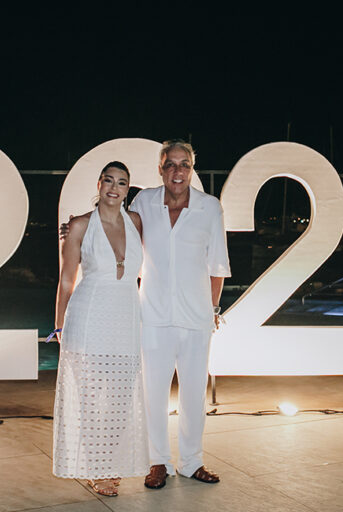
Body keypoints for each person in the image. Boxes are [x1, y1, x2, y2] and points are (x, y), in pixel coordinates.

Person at [129, 140, 231, 489]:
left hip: (196, 317)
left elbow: (217, 265)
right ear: (160, 169)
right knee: (152, 394)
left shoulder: (209, 207)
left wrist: (212, 310)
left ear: (192, 169)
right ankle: (158, 462)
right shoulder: (143, 202)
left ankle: (192, 462)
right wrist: (79, 227)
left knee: (193, 394)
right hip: (153, 315)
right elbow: (121, 236)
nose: (178, 171)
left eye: (184, 164)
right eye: (170, 164)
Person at [52, 161, 149, 497]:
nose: (114, 188)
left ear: (127, 189)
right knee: (92, 398)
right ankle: (98, 468)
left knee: (121, 399)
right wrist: (59, 326)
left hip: (126, 318)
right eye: (108, 180)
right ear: (98, 184)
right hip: (89, 316)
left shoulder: (136, 222)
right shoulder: (80, 225)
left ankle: (111, 460)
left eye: (121, 182)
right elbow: (66, 280)